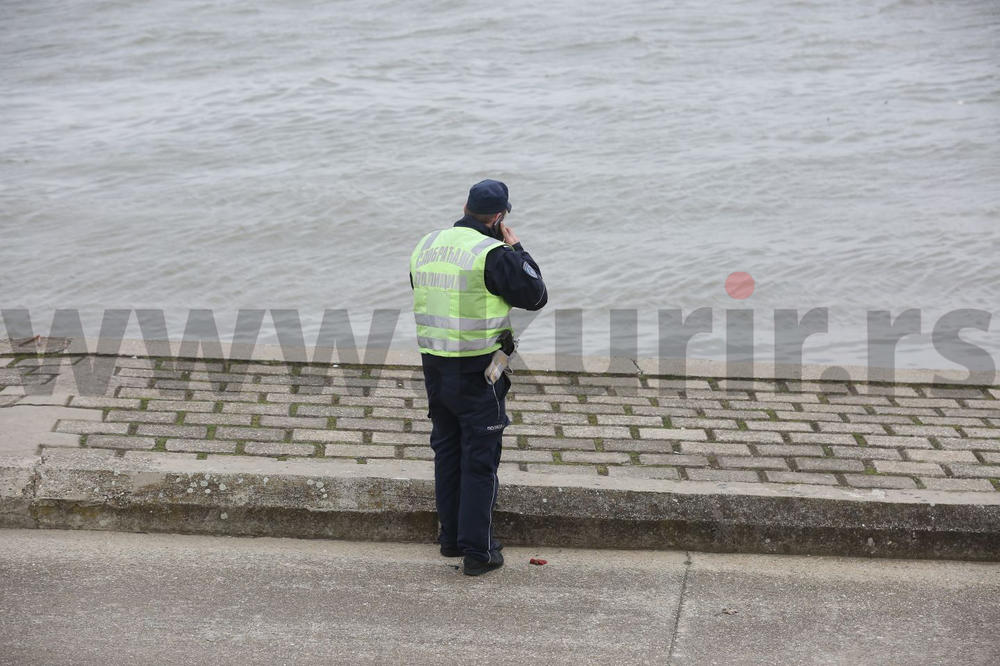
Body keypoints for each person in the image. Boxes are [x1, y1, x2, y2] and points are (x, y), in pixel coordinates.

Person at [409, 179, 548, 576]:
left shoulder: (427, 244)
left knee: (447, 451)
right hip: (478, 370)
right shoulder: (494, 254)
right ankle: (479, 552)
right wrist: (516, 248)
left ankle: (451, 539)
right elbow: (536, 295)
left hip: (435, 365)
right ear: (499, 218)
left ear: (465, 206)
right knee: (480, 460)